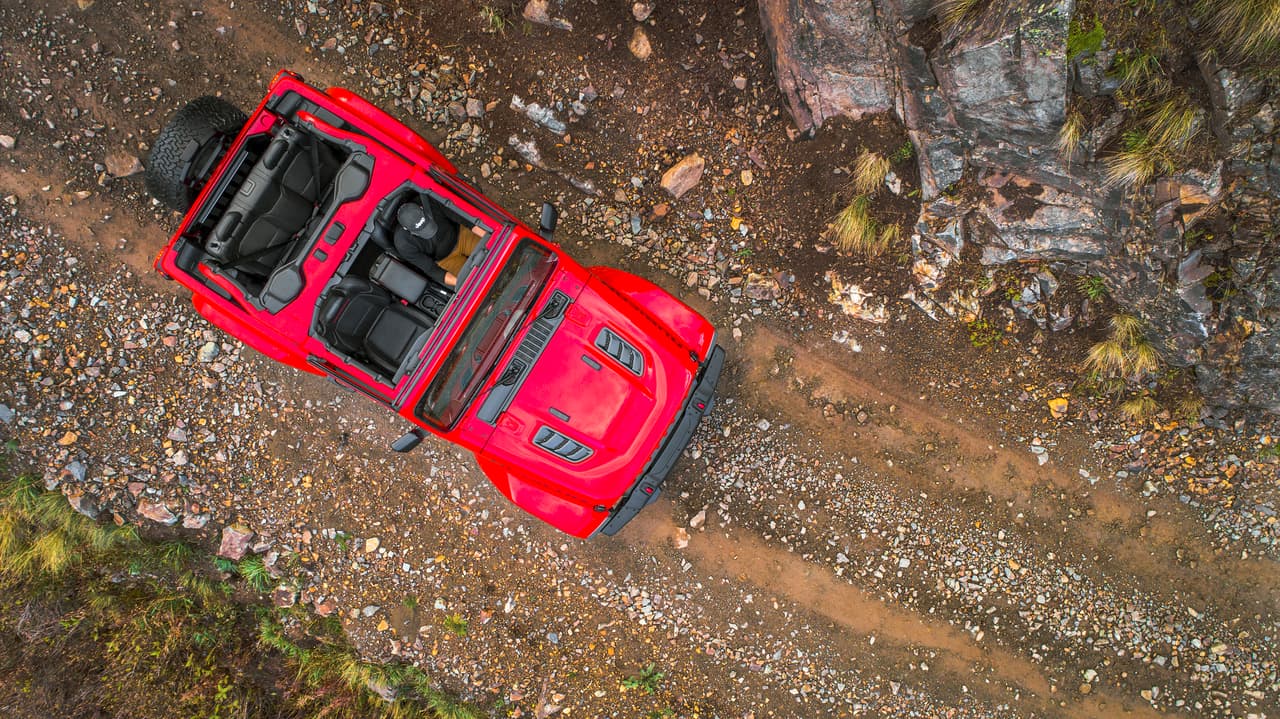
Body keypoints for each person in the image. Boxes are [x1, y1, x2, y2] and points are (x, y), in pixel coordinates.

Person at [392, 200, 480, 288]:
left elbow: (468, 222)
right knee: (475, 281)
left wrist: (491, 239)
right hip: (445, 260)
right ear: (406, 229)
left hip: (460, 235)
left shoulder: (431, 201)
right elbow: (431, 269)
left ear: (421, 208)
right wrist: (463, 283)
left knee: (488, 251)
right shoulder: (403, 243)